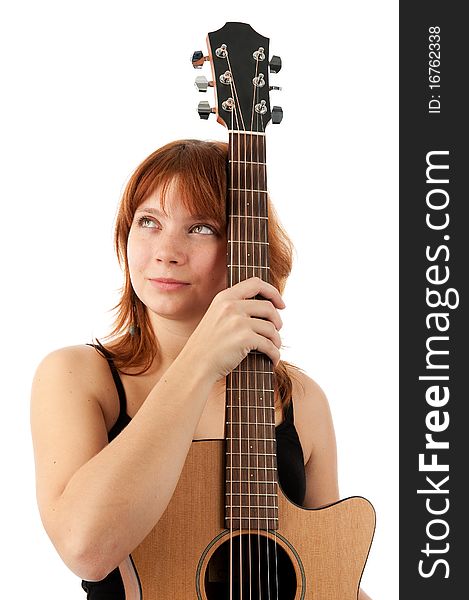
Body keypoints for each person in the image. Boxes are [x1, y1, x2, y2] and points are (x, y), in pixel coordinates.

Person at [31, 139, 372, 599]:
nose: (166, 251)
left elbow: (331, 579)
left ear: (246, 247)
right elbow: (86, 549)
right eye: (148, 222)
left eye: (202, 228)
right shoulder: (78, 376)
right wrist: (200, 360)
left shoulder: (301, 400)